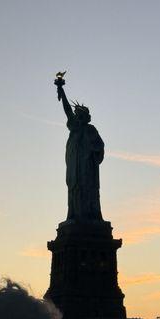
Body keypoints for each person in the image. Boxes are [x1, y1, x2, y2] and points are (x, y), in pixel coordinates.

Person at [56, 81, 104, 221]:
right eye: (76, 114)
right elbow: (67, 110)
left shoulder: (90, 130)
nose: (76, 116)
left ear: (85, 116)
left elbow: (99, 147)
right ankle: (75, 215)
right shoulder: (75, 129)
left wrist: (92, 152)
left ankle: (89, 216)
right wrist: (61, 90)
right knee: (74, 190)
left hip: (87, 169)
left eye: (79, 114)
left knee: (87, 190)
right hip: (74, 168)